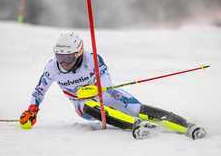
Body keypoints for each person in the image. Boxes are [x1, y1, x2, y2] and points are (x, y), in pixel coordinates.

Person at [20, 32, 206, 140]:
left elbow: (106, 79)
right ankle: (135, 126)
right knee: (88, 105)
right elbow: (39, 91)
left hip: (104, 93)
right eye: (60, 57)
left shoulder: (92, 59)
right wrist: (32, 109)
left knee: (136, 108)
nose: (64, 62)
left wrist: (98, 88)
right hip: (82, 104)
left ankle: (186, 126)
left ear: (79, 52)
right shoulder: (52, 67)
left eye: (67, 57)